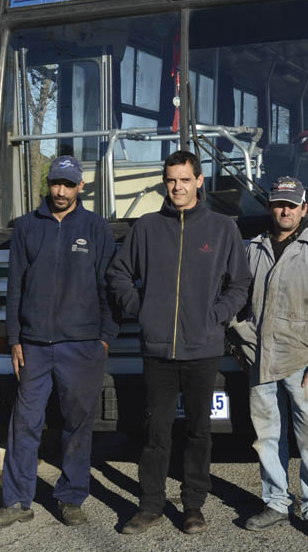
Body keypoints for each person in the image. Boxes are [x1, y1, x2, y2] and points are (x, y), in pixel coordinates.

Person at [106, 150, 251, 535]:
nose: (178, 187)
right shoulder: (147, 228)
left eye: (185, 180)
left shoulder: (222, 229)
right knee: (156, 433)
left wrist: (217, 315)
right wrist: (141, 310)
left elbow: (240, 283)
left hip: (203, 348)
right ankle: (150, 505)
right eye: (171, 180)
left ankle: (192, 507)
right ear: (164, 182)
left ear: (199, 181)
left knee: (199, 432)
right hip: (157, 351)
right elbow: (119, 274)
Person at [0, 155, 118, 529]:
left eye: (68, 184)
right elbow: (15, 290)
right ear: (49, 184)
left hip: (83, 346)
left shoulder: (95, 228)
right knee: (24, 423)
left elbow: (108, 288)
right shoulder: (27, 227)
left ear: (81, 187)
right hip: (34, 347)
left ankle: (71, 496)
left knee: (78, 424)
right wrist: (14, 339)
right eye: (56, 183)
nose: (61, 191)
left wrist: (106, 339)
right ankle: (16, 501)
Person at [229, 176, 308, 542]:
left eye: (291, 204)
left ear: (303, 209)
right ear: (270, 207)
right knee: (268, 437)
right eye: (278, 204)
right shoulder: (252, 248)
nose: (284, 210)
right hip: (261, 361)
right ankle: (275, 503)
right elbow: (233, 298)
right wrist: (241, 342)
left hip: (305, 363)